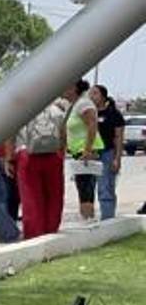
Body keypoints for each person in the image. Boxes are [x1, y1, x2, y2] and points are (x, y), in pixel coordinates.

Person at [15, 96, 68, 240]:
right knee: (54, 195)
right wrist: (61, 152)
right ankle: (51, 229)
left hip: (28, 155)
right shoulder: (57, 111)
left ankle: (34, 232)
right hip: (53, 155)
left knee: (31, 196)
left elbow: (10, 135)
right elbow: (63, 135)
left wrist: (8, 158)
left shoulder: (20, 111)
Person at [62, 79, 103, 224]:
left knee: (86, 187)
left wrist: (87, 149)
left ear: (73, 88)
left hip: (86, 152)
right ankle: (87, 218)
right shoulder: (73, 105)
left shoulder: (84, 104)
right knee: (82, 186)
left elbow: (92, 125)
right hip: (77, 152)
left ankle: (88, 219)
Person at [91, 84, 124, 220]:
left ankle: (108, 218)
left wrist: (117, 158)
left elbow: (119, 137)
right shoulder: (89, 113)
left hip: (107, 153)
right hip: (91, 154)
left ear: (103, 96)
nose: (92, 96)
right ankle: (90, 218)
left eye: (95, 93)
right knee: (90, 189)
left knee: (106, 188)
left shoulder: (113, 114)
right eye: (90, 94)